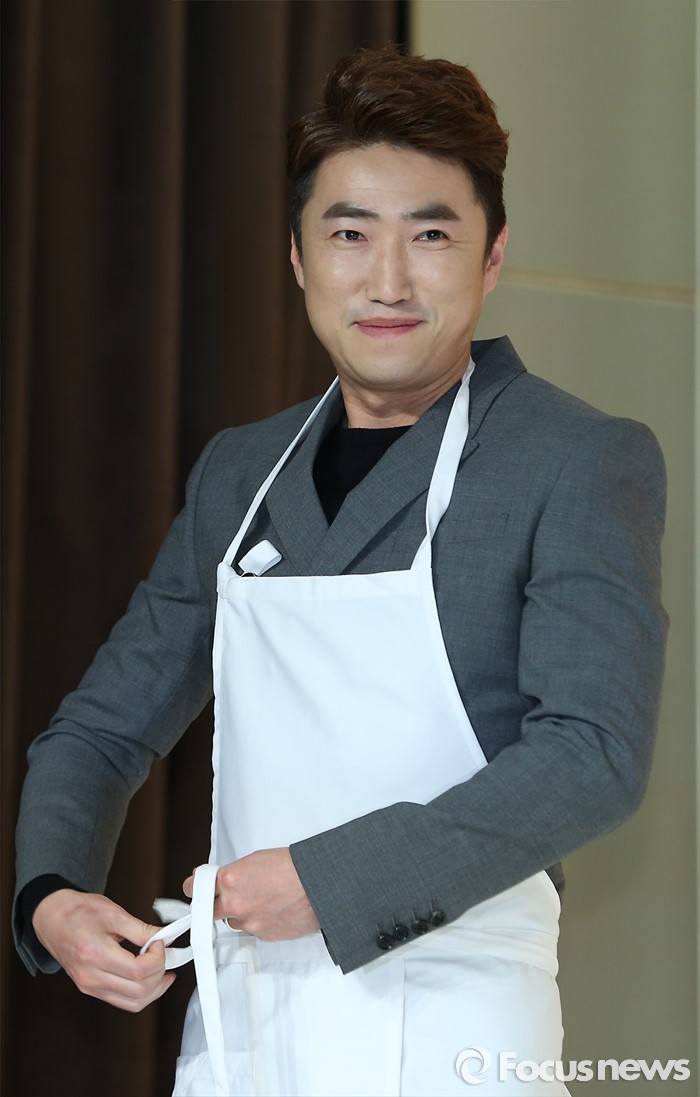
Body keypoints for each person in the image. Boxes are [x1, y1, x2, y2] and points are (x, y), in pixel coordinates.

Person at [14, 44, 667, 1096]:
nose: (388, 281)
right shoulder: (241, 470)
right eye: (349, 234)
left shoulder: (574, 458)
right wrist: (53, 890)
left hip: (457, 1031)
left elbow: (591, 753)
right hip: (246, 1030)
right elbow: (101, 726)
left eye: (432, 235)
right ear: (298, 257)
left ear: (493, 254)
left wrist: (329, 879)